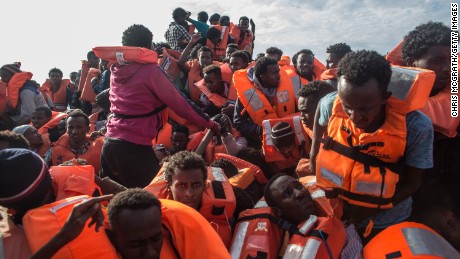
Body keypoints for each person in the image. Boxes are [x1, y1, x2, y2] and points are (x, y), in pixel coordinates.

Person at [313, 50, 434, 239]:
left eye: (364, 109)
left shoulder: (416, 126)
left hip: (388, 220)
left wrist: (364, 213)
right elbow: (321, 112)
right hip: (337, 211)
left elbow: (412, 183)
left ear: (385, 97)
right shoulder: (331, 105)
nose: (354, 116)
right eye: (347, 107)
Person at [99, 24, 220, 188]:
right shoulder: (151, 71)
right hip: (133, 149)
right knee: (152, 201)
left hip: (109, 145)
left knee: (114, 205)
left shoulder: (116, 69)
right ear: (149, 46)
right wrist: (210, 123)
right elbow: (180, 103)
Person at [263, 174, 348, 258]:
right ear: (278, 211)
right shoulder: (291, 251)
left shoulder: (338, 205)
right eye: (287, 194)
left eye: (298, 186)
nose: (299, 193)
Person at [233, 56, 296, 148]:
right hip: (258, 142)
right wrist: (259, 130)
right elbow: (239, 122)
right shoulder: (247, 95)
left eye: (278, 71)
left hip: (286, 140)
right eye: (274, 73)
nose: (279, 76)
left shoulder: (287, 86)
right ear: (262, 76)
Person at [0, 63, 48, 127]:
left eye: (5, 76)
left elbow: (29, 115)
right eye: (1, 77)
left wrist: (7, 120)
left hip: (36, 124)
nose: (2, 79)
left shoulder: (26, 91)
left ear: (14, 76)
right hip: (21, 122)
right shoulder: (9, 92)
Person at [178, 34, 215, 103]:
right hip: (192, 104)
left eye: (207, 58)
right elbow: (181, 62)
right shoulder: (193, 68)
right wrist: (191, 43)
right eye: (202, 57)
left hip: (209, 107)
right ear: (198, 58)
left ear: (211, 59)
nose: (204, 60)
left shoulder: (216, 71)